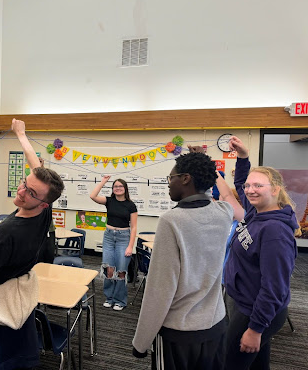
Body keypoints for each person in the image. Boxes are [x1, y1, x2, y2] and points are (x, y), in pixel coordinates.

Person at [0, 119, 64, 370]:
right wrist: (21, 134)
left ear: (43, 203)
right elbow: (36, 168)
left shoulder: (7, 231)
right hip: (17, 297)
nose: (21, 192)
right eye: (24, 184)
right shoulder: (43, 211)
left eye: (31, 193)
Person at [132, 152, 233, 369]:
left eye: (171, 178)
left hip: (179, 333)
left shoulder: (172, 220)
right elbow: (212, 195)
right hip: (216, 326)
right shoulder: (224, 212)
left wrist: (141, 342)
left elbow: (160, 289)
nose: (169, 184)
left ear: (186, 178)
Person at [224, 136, 299, 370]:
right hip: (244, 302)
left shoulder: (274, 231)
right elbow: (239, 183)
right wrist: (243, 156)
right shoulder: (256, 212)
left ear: (275, 189)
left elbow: (275, 287)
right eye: (249, 186)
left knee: (229, 365)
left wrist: (256, 329)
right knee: (257, 365)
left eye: (258, 186)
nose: (249, 190)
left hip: (254, 311)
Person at [90, 175, 137, 311]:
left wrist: (130, 246)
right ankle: (109, 298)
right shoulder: (109, 201)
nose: (118, 188)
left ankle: (120, 301)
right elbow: (93, 196)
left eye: (120, 186)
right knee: (109, 270)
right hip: (109, 237)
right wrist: (103, 181)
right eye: (115, 186)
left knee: (121, 271)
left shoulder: (131, 205)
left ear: (125, 188)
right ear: (113, 189)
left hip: (124, 238)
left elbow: (134, 227)